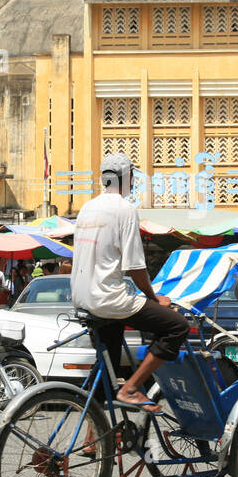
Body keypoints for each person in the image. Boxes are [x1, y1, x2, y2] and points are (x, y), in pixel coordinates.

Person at [71, 153, 189, 411]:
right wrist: (154, 297)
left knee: (108, 365)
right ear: (127, 179)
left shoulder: (86, 208)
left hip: (84, 298)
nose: (134, 182)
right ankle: (132, 388)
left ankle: (96, 436)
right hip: (108, 299)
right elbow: (135, 268)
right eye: (133, 177)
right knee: (177, 327)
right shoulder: (125, 209)